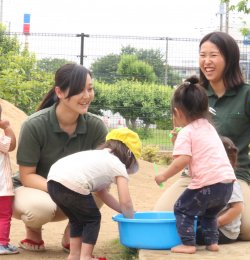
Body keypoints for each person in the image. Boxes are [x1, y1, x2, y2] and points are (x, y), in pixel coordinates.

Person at [154, 31, 250, 241]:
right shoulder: (195, 92)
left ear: (229, 59)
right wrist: (179, 140)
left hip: (232, 176)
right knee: (161, 217)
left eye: (214, 55)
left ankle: (206, 223)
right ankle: (205, 224)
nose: (207, 61)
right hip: (195, 176)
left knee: (249, 229)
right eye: (203, 55)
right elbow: (181, 132)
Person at [12, 63, 108, 252]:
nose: (87, 96)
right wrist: (63, 189)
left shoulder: (96, 127)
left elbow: (101, 173)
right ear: (60, 92)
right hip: (33, 190)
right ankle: (33, 230)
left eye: (90, 88)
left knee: (101, 187)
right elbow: (27, 176)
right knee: (40, 208)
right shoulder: (34, 125)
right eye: (79, 90)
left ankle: (73, 233)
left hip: (72, 194)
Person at [155, 76, 236, 254]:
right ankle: (212, 243)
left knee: (182, 208)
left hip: (207, 185)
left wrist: (163, 176)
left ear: (177, 112)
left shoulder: (187, 132)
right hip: (227, 185)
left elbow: (182, 160)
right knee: (210, 213)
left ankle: (188, 244)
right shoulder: (208, 127)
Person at [47, 127, 141, 260]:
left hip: (53, 182)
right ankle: (86, 256)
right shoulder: (117, 164)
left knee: (77, 219)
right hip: (72, 184)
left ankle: (74, 255)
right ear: (129, 154)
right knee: (93, 218)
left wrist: (123, 211)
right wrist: (131, 218)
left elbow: (102, 193)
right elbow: (126, 201)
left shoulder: (97, 156)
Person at [196, 136, 243, 245]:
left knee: (192, 233)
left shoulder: (228, 180)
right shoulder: (210, 175)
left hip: (225, 231)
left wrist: (216, 223)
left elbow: (237, 208)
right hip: (211, 222)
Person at [0, 104, 19, 255]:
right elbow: (11, 145)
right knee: (4, 216)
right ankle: (1, 244)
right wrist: (7, 127)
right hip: (2, 188)